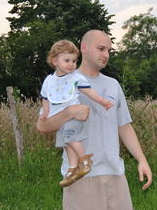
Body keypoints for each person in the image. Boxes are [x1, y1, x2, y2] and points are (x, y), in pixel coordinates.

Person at [37, 30, 152, 210]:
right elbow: (42, 126)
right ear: (84, 48)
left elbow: (124, 126)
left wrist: (141, 159)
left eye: (109, 51)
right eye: (101, 49)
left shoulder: (113, 85)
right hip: (81, 178)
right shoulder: (60, 82)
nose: (106, 55)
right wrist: (70, 112)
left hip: (115, 174)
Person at [39, 39, 113, 187]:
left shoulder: (76, 78)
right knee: (66, 143)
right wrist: (46, 110)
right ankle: (72, 169)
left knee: (71, 137)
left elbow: (89, 91)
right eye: (67, 60)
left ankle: (84, 159)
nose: (71, 64)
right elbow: (45, 97)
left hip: (74, 117)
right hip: (59, 120)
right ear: (55, 61)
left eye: (74, 61)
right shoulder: (49, 80)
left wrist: (102, 101)